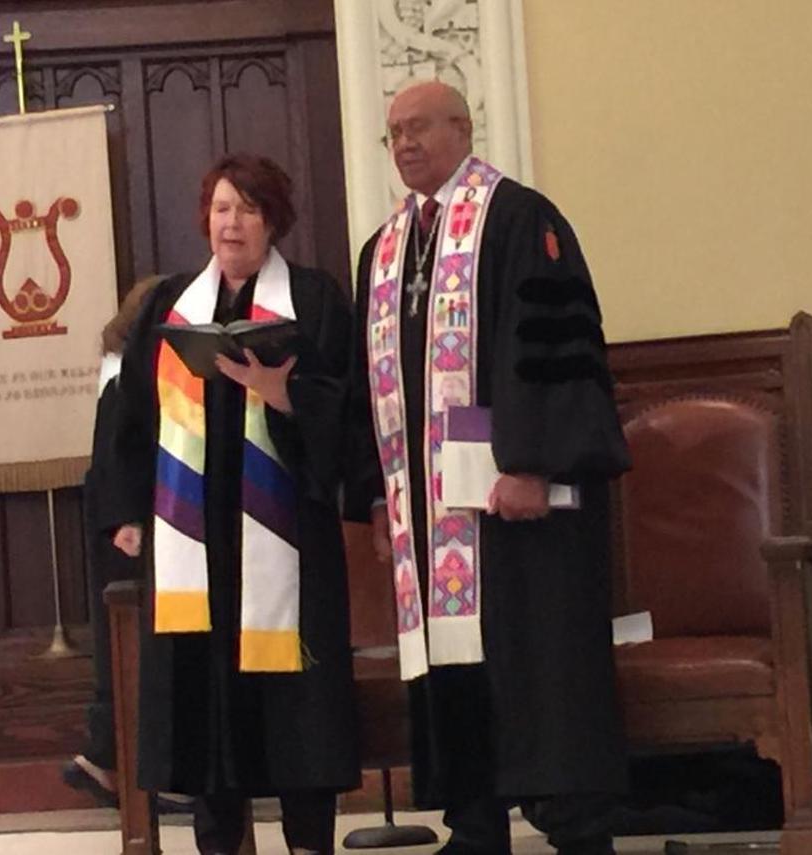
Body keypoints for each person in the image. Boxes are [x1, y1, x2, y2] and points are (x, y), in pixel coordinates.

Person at [345, 80, 631, 855]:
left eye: (418, 128)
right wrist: (377, 495)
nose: (404, 144)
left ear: (462, 129)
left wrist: (536, 464)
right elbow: (369, 390)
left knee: (537, 654)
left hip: (514, 499)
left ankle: (577, 827)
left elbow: (555, 350)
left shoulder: (520, 218)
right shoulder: (384, 250)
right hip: (428, 509)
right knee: (450, 657)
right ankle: (474, 824)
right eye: (392, 133)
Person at [106, 153, 360, 855]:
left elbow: (348, 409)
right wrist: (126, 513)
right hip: (192, 535)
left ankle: (310, 840)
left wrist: (285, 396)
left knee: (295, 701)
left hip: (288, 537)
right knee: (203, 696)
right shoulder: (168, 306)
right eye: (221, 208)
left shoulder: (313, 298)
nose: (231, 221)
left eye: (247, 208)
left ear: (272, 218)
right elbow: (129, 418)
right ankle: (220, 841)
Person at [61, 275, 193, 816]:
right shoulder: (125, 377)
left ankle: (117, 761)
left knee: (130, 648)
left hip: (122, 518)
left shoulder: (117, 368)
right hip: (127, 525)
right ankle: (116, 761)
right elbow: (120, 457)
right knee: (130, 648)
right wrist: (128, 520)